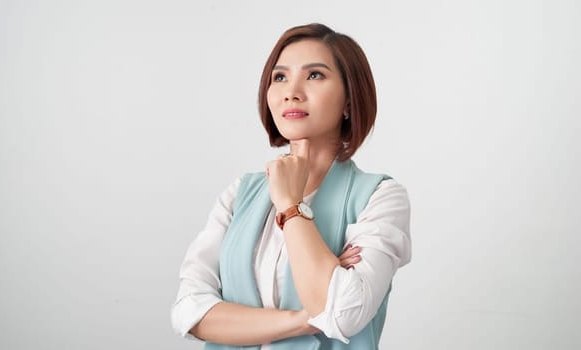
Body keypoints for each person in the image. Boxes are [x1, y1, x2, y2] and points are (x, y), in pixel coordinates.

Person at [170, 23, 413, 350]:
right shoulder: (239, 194)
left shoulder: (381, 197)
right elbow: (189, 313)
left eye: (315, 75)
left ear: (349, 101)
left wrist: (290, 205)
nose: (291, 91)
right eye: (280, 77)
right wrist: (306, 318)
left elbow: (343, 315)